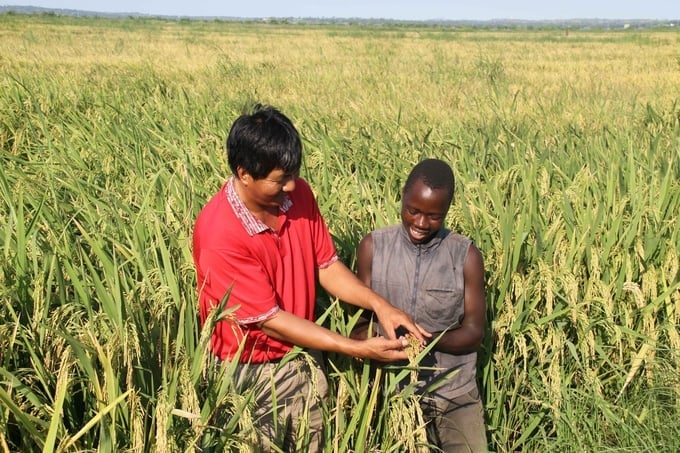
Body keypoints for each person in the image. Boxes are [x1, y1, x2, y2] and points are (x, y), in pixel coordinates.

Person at [191, 104, 429, 452]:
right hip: (251, 369)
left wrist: (381, 305)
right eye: (278, 179)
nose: (291, 185)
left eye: (293, 174)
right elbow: (269, 321)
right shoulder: (220, 235)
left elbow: (327, 266)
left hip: (302, 350)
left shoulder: (297, 195)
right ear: (244, 174)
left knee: (312, 440)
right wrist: (356, 348)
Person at [351, 158, 488, 452]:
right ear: (402, 196)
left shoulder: (466, 256)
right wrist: (375, 346)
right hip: (392, 393)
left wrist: (425, 342)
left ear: (447, 210)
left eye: (434, 216)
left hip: (455, 394)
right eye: (413, 211)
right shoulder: (374, 247)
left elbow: (475, 332)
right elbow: (359, 324)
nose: (421, 223)